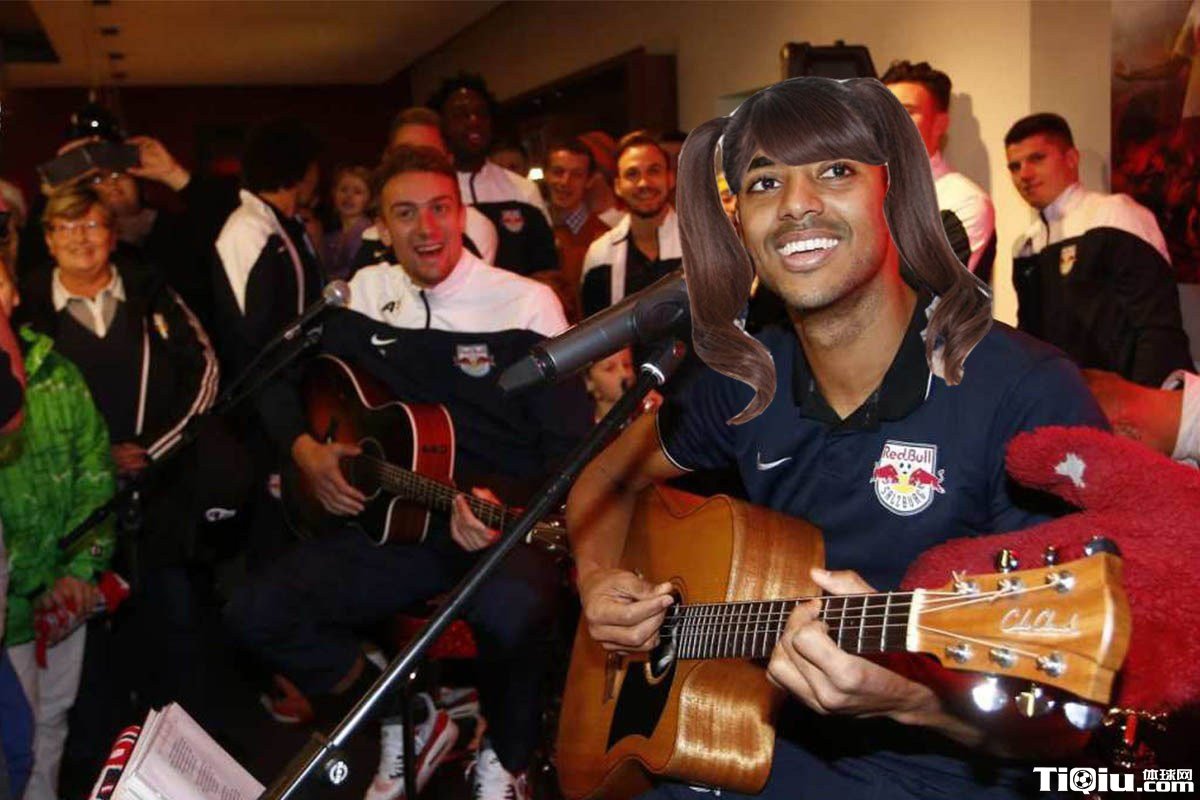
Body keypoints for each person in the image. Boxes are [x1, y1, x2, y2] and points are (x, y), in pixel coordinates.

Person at [566, 77, 1110, 799]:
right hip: (759, 735)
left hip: (949, 770)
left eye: (835, 170)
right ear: (737, 223)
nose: (796, 204)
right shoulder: (747, 376)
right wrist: (598, 579)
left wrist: (911, 699)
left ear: (894, 192)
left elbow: (1076, 721)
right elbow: (602, 478)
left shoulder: (1025, 393)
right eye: (764, 182)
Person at [225, 146, 591, 800]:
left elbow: (569, 447)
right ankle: (403, 716)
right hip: (400, 524)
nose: (426, 229)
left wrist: (505, 503)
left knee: (513, 611)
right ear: (381, 228)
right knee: (258, 610)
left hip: (504, 522)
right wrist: (305, 449)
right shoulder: (361, 296)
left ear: (462, 214)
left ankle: (507, 757)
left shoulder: (526, 303)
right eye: (405, 213)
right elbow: (272, 379)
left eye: (440, 209)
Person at [0, 263, 114, 800]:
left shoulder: (58, 372)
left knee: (54, 721)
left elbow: (96, 470)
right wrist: (35, 581)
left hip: (68, 585)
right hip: (13, 610)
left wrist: (80, 569)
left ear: (15, 293)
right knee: (14, 739)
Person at [1006, 112, 1192, 386]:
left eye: (1037, 158)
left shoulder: (1115, 214)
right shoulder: (1027, 246)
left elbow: (1157, 326)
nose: (1024, 174)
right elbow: (1033, 341)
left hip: (1130, 399)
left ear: (1072, 158)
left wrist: (1141, 404)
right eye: (1014, 166)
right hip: (1067, 400)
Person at [428, 74, 557, 275]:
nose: (474, 121)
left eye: (481, 114)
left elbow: (547, 268)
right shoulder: (430, 191)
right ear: (442, 125)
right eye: (461, 115)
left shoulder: (523, 190)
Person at [882, 60, 997, 280]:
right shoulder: (865, 193)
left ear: (940, 124)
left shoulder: (962, 201)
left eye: (907, 111)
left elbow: (924, 288)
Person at [352, 107, 498, 272]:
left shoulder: (475, 227)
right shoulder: (370, 245)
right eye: (404, 154)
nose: (415, 164)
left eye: (428, 154)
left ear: (448, 159)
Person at [579, 131, 680, 317]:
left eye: (654, 171)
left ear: (670, 178)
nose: (643, 183)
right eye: (632, 174)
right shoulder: (600, 254)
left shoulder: (702, 245)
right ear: (618, 186)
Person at [545, 139, 611, 308]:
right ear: (546, 174)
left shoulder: (604, 237)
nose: (565, 182)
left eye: (576, 175)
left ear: (589, 180)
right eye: (558, 172)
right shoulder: (532, 229)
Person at [323, 166, 373, 280]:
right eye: (343, 190)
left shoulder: (369, 234)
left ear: (369, 198)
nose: (348, 197)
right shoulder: (330, 236)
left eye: (357, 192)